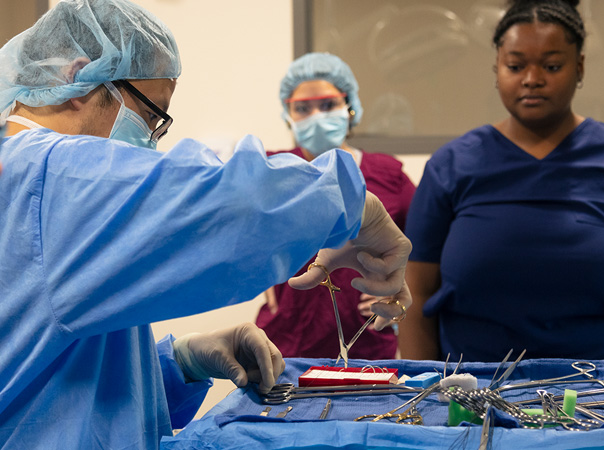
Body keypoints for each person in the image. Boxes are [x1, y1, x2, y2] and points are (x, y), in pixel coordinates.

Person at [0, 1, 412, 448]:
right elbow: (230, 200)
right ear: (77, 80)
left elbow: (56, 377)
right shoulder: (43, 175)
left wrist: (180, 363)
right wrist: (354, 205)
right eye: (151, 115)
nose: (150, 142)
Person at [399, 0, 604, 372]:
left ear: (579, 67)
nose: (532, 78)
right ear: (496, 69)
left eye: (551, 65)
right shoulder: (451, 166)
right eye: (515, 66)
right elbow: (415, 295)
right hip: (472, 401)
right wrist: (430, 392)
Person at [255, 53, 416, 359]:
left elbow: (421, 245)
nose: (316, 115)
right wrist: (257, 273)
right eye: (303, 108)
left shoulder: (387, 175)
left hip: (365, 343)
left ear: (349, 106)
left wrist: (398, 284)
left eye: (328, 105)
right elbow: (240, 234)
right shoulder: (273, 169)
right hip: (287, 342)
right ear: (288, 114)